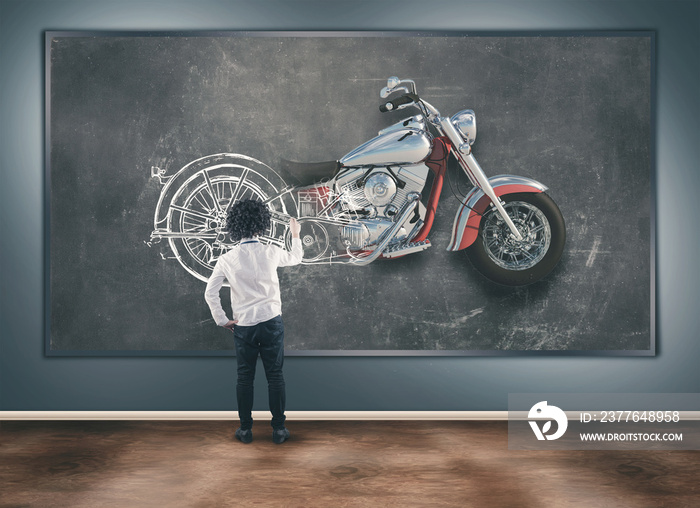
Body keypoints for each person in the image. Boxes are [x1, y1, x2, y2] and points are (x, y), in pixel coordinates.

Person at [205, 199, 302, 444]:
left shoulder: (227, 258)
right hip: (271, 323)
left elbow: (210, 292)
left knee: (244, 378)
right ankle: (279, 430)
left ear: (235, 226)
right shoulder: (271, 251)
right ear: (261, 224)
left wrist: (223, 320)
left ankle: (245, 430)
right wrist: (295, 234)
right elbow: (296, 258)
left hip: (243, 326)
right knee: (275, 376)